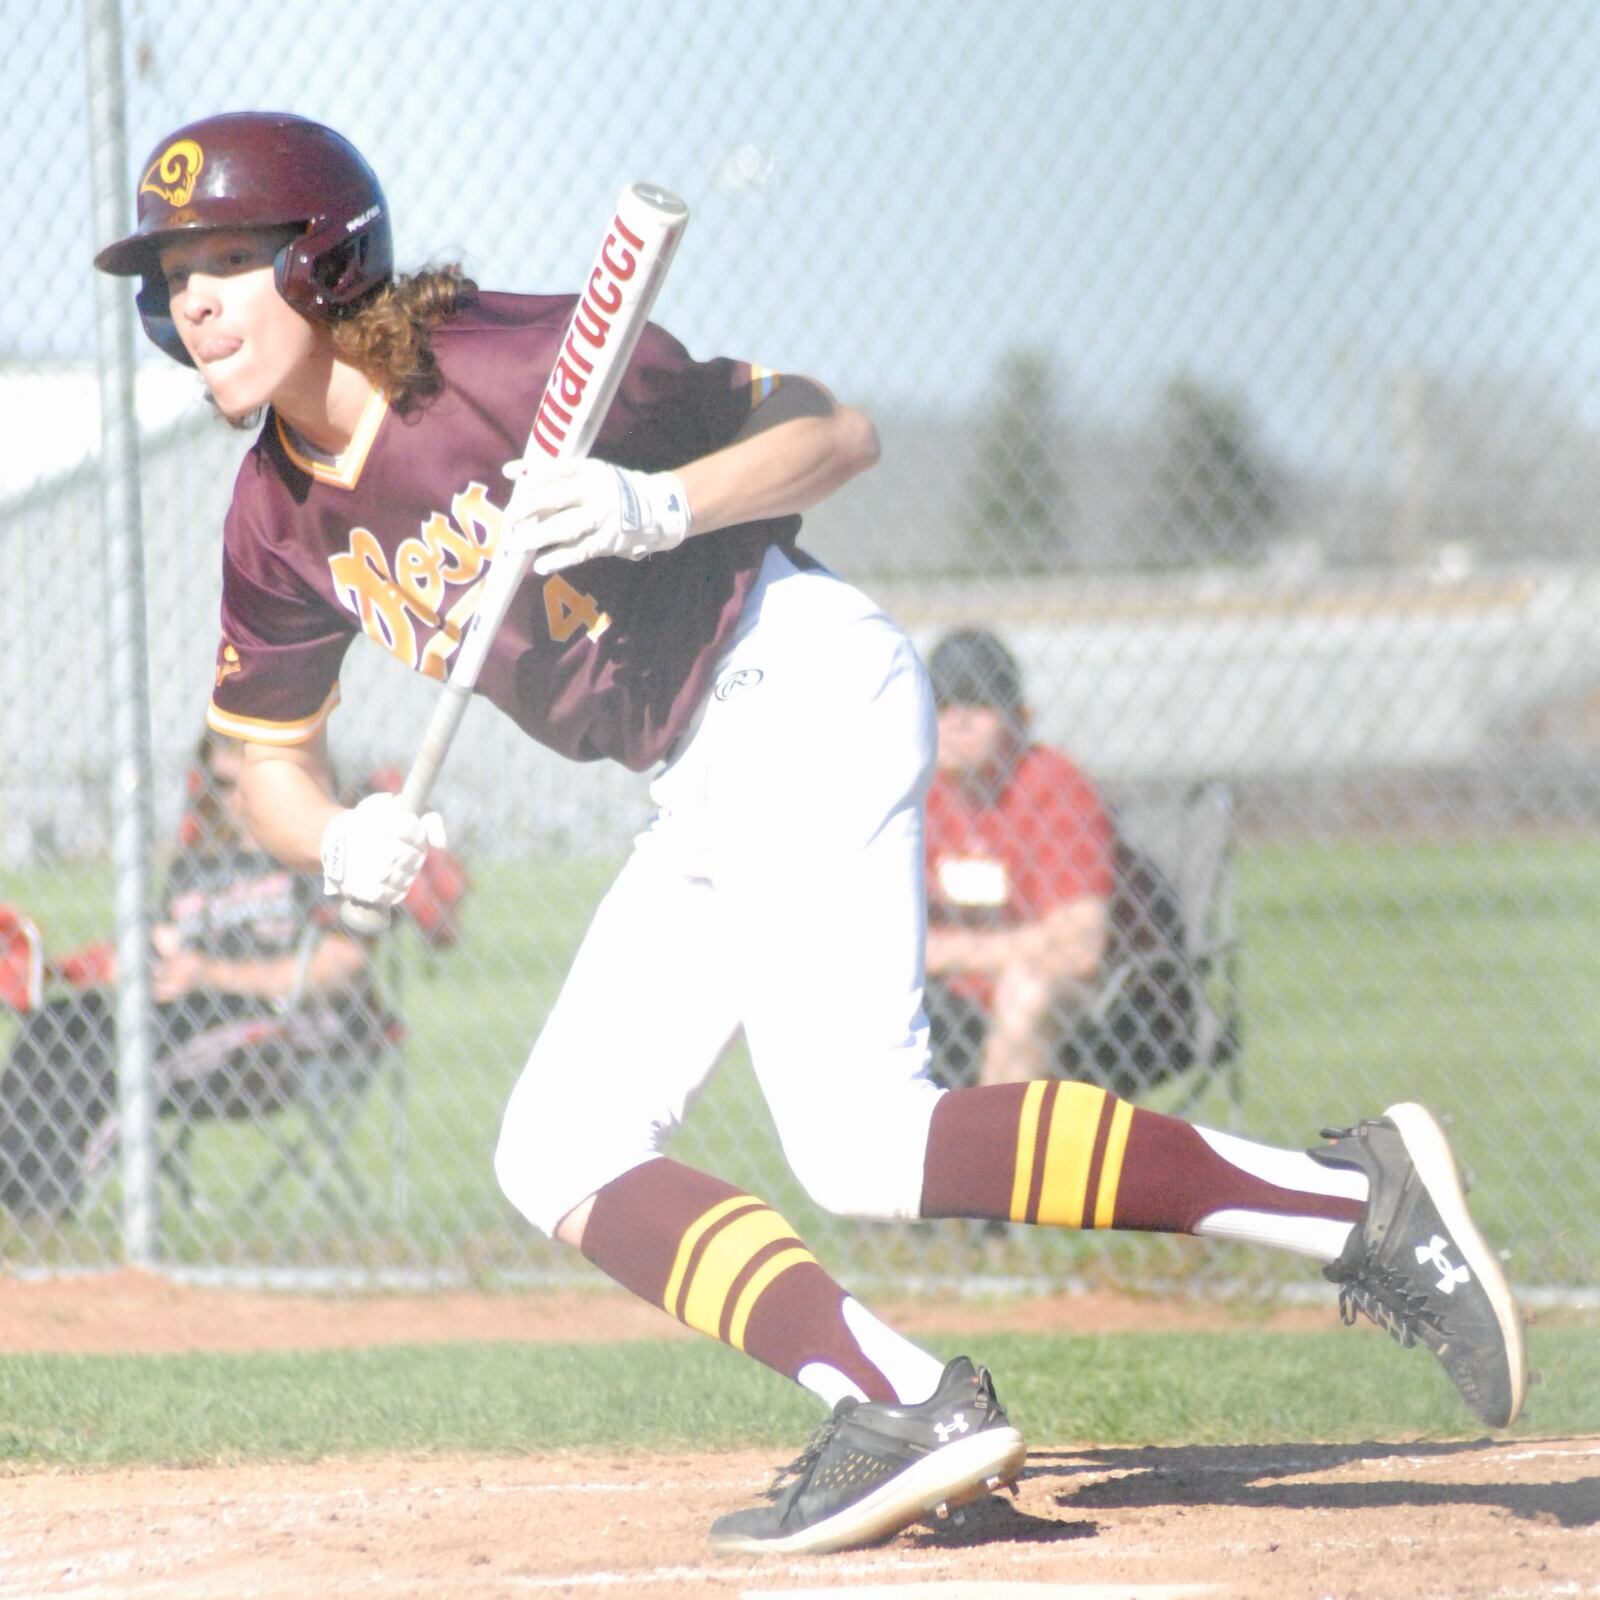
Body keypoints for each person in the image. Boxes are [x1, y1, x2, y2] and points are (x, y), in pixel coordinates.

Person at [94, 111, 1526, 1557]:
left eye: (224, 261)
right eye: (173, 277)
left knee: (856, 1137)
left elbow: (836, 432)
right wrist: (337, 840)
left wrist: (657, 501)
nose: (189, 303)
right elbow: (266, 759)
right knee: (560, 1148)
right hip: (697, 767)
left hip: (794, 673)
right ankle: (902, 1397)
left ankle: (1352, 1204)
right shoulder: (271, 519)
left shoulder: (508, 365)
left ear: (326, 260)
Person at [0, 729, 388, 1220]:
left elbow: (341, 964)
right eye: (224, 784)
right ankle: (12, 1203)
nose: (239, 799)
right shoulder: (198, 865)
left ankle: (41, 1210)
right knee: (53, 1024)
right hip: (179, 1010)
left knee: (112, 1052)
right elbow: (160, 946)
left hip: (272, 1033)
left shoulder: (320, 855)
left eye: (252, 782)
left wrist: (210, 973)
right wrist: (73, 969)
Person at [923, 627, 1200, 1098]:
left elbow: (1079, 948)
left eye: (979, 704)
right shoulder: (916, 794)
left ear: (1021, 718)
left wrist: (940, 951)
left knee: (1024, 991)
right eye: (943, 704)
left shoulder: (1055, 786)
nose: (957, 722)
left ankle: (989, 1168)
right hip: (956, 1009)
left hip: (1110, 1010)